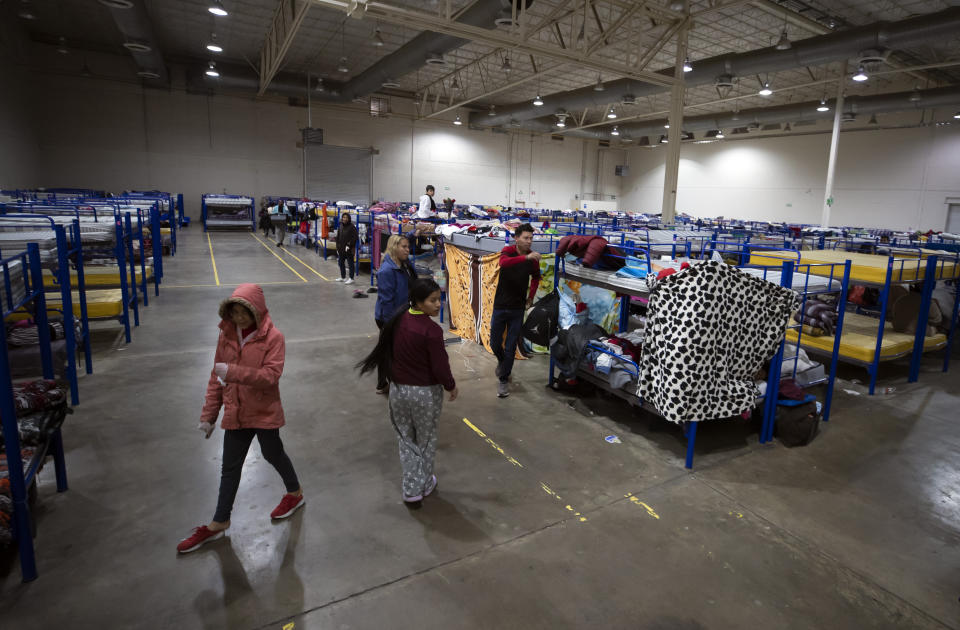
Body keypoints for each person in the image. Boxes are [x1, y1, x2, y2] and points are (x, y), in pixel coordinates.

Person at [176, 284, 303, 553]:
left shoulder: (273, 338)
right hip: (236, 412)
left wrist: (233, 372)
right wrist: (209, 415)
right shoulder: (227, 336)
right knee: (230, 467)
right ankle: (219, 521)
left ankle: (295, 493)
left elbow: (270, 376)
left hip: (264, 410)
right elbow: (216, 377)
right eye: (234, 313)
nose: (239, 318)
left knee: (273, 453)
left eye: (244, 313)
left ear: (256, 312)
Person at [357, 278, 457, 504]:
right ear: (419, 302)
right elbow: (440, 366)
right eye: (432, 301)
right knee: (426, 439)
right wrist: (451, 385)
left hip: (399, 392)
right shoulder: (431, 331)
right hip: (425, 394)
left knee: (406, 438)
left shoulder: (398, 320)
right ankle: (421, 484)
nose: (438, 304)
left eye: (439, 299)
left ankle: (411, 489)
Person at [490, 223, 541, 398]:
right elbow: (503, 263)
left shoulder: (532, 258)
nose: (529, 241)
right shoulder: (508, 251)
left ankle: (503, 380)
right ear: (516, 238)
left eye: (531, 238)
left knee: (511, 346)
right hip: (500, 305)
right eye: (526, 238)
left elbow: (536, 277)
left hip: (517, 308)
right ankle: (502, 362)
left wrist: (531, 297)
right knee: (495, 344)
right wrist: (526, 258)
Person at [374, 235, 417, 394]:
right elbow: (386, 301)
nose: (407, 250)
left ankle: (384, 383)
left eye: (408, 246)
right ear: (394, 248)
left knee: (389, 350)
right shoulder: (387, 271)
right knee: (390, 351)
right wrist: (391, 326)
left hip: (402, 313)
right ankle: (390, 384)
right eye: (404, 247)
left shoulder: (404, 264)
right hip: (389, 318)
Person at [335, 212, 358, 285]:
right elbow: (338, 237)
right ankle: (343, 277)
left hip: (349, 249)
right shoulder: (340, 226)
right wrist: (337, 247)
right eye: (343, 217)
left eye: (346, 217)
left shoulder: (352, 227)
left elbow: (355, 237)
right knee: (341, 263)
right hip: (341, 248)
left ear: (349, 219)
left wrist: (349, 245)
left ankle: (351, 278)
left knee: (350, 263)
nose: (344, 219)